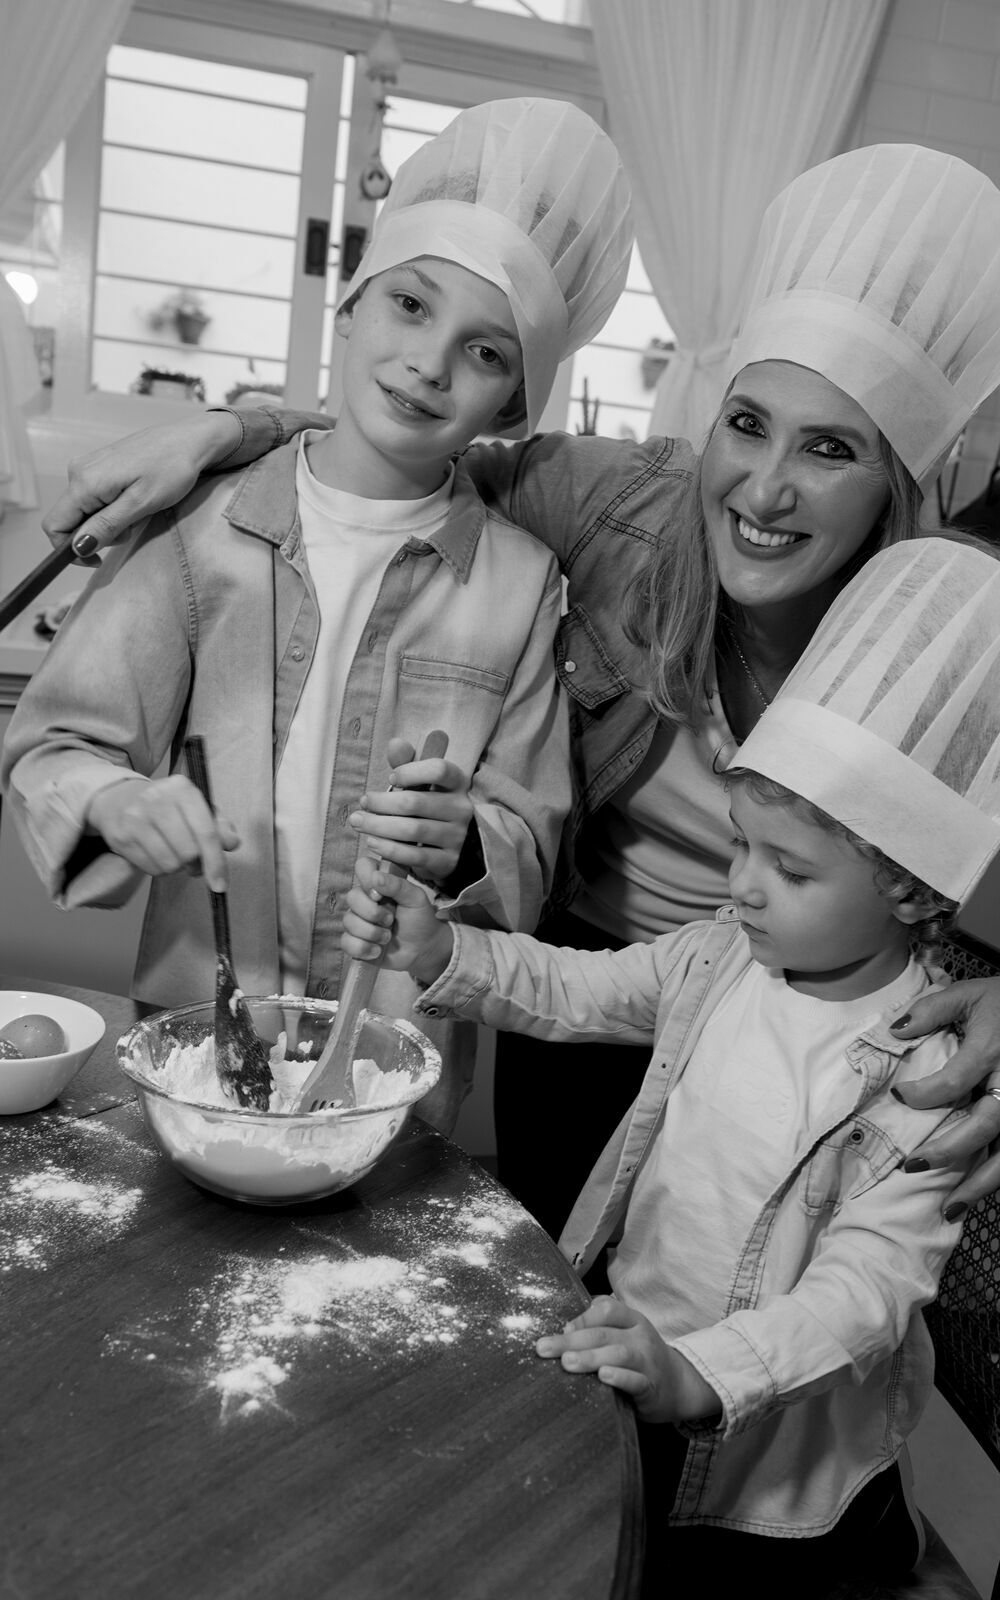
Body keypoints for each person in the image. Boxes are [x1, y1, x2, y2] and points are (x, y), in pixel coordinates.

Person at [33, 143, 1000, 1219]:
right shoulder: (609, 509)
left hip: (802, 1042)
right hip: (574, 1004)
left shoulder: (965, 654)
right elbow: (402, 448)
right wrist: (228, 431)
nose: (764, 488)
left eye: (831, 450)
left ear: (898, 480)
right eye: (746, 426)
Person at [338, 533, 1000, 1590]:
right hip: (646, 1361)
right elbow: (575, 990)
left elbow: (865, 1294)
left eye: (787, 867)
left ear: (915, 894)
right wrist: (444, 950)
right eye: (741, 843)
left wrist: (704, 1372)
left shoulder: (923, 1073)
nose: (742, 884)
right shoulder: (722, 957)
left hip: (773, 1483)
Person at [0, 96, 633, 1133]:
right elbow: (53, 746)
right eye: (411, 306)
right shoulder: (202, 524)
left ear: (515, 405)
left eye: (485, 353)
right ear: (350, 308)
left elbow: (534, 833)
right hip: (197, 1028)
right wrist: (116, 801)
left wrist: (467, 842)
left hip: (385, 1067)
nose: (430, 364)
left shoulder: (522, 584)